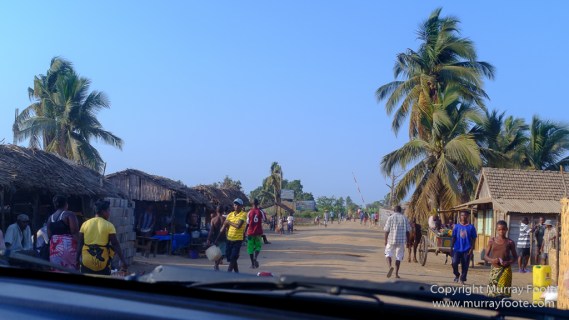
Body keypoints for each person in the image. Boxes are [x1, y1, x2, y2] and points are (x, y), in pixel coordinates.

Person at [77, 200, 128, 275]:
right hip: (102, 263)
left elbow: (80, 243)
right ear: (103, 211)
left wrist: (76, 259)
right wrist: (123, 261)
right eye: (109, 211)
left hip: (86, 261)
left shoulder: (85, 224)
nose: (109, 213)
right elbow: (115, 244)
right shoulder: (109, 226)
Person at [484, 220, 518, 298]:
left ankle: (502, 307)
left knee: (502, 293)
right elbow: (485, 256)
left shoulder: (510, 242)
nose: (501, 231)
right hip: (494, 269)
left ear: (506, 229)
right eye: (499, 229)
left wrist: (508, 262)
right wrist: (492, 260)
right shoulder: (491, 241)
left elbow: (515, 257)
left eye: (503, 229)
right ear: (496, 230)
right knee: (492, 293)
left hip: (505, 270)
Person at [47, 195, 79, 270]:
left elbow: (49, 236)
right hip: (68, 248)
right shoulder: (69, 214)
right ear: (66, 204)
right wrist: (81, 247)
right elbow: (74, 232)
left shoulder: (50, 218)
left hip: (55, 249)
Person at [217, 198, 247, 273]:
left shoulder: (243, 214)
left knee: (233, 256)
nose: (236, 206)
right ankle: (237, 272)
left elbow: (238, 226)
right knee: (230, 258)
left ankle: (229, 272)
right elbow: (223, 227)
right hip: (229, 239)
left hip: (238, 240)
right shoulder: (230, 215)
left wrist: (229, 222)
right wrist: (216, 239)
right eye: (235, 204)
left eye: (238, 205)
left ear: (241, 206)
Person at [451, 211, 477, 284]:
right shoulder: (456, 226)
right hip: (457, 248)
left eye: (465, 215)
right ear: (460, 216)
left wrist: (472, 249)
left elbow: (474, 238)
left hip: (467, 249)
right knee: (454, 263)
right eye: (462, 215)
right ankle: (457, 274)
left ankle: (462, 279)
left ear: (468, 216)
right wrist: (451, 248)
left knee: (465, 265)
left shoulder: (471, 227)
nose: (463, 217)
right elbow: (453, 237)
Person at [383, 205, 409, 279]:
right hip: (401, 241)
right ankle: (396, 274)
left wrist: (385, 240)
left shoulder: (390, 218)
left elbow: (386, 230)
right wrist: (408, 241)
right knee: (398, 257)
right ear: (400, 211)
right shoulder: (404, 218)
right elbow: (408, 231)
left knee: (388, 254)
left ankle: (390, 267)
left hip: (391, 240)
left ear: (394, 210)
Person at [245, 199, 264, 269]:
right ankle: (255, 257)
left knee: (250, 248)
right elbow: (264, 219)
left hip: (250, 232)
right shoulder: (260, 212)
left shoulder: (249, 212)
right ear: (258, 203)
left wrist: (244, 232)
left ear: (251, 204)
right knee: (258, 246)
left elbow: (247, 223)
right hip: (258, 232)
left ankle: (252, 264)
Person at [207, 205, 226, 271]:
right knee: (222, 254)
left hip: (215, 239)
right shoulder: (225, 219)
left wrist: (208, 239)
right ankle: (216, 265)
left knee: (216, 253)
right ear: (223, 211)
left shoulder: (213, 219)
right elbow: (228, 229)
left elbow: (211, 231)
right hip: (223, 238)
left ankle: (216, 265)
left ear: (216, 211)